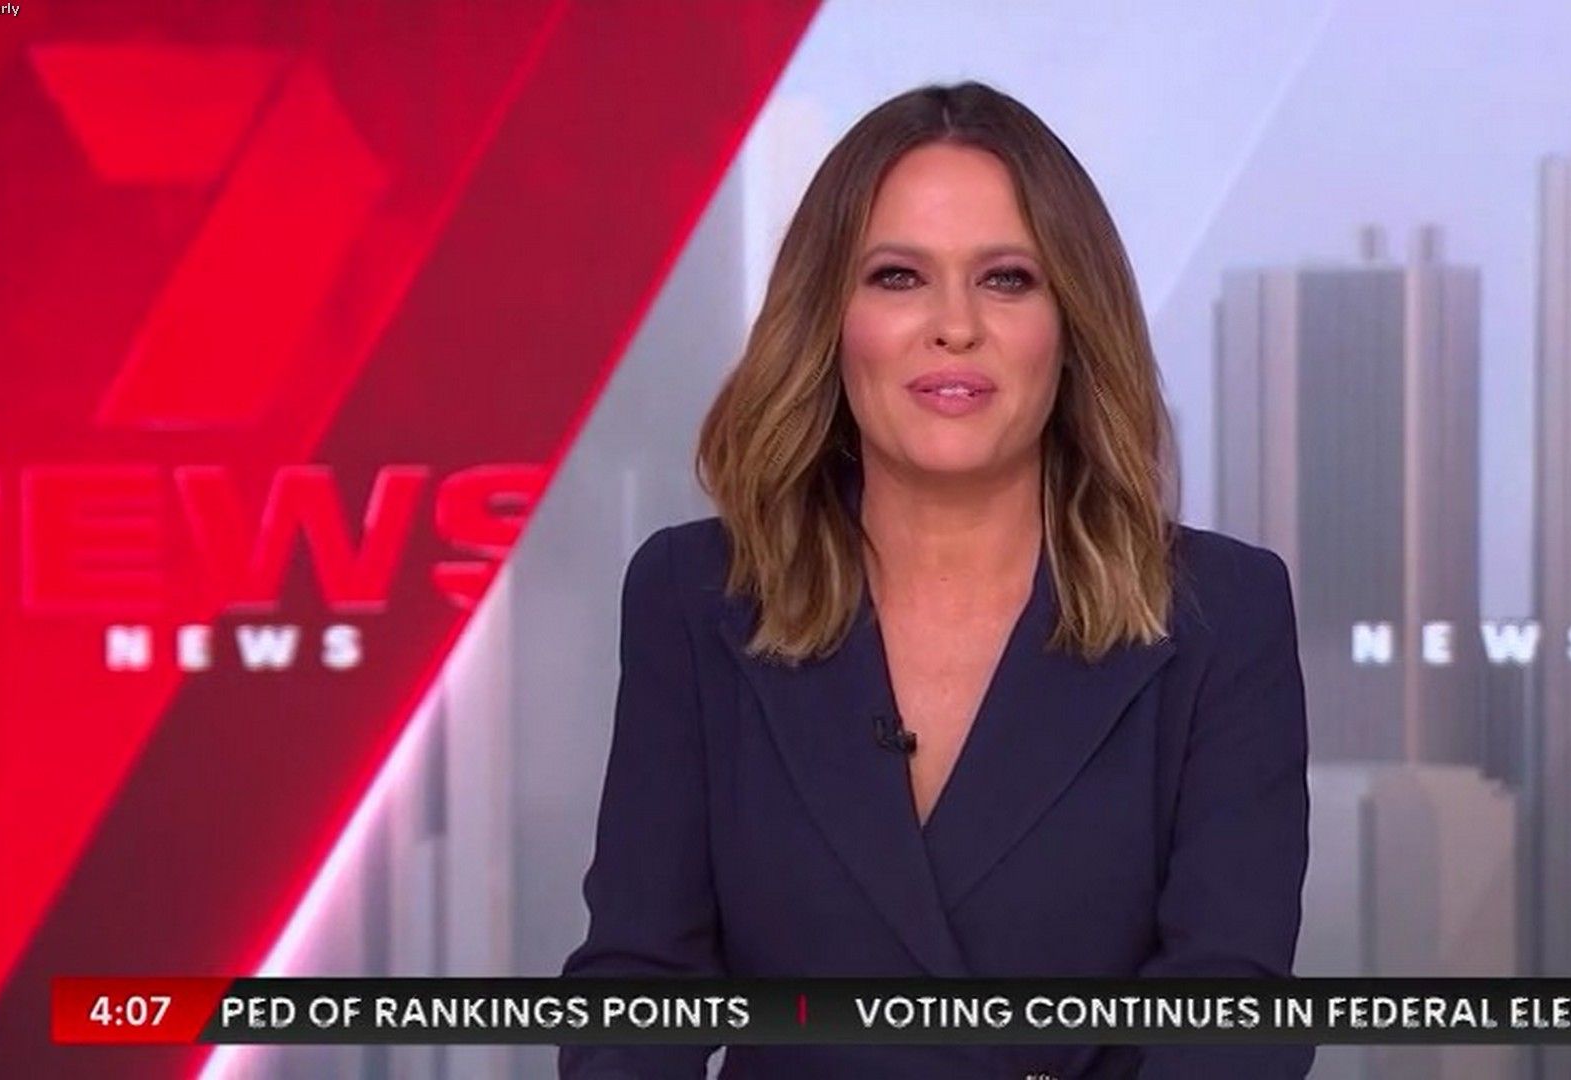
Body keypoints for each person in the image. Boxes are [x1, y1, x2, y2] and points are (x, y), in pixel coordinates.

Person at [560, 80, 1313, 1079]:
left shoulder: (1223, 613)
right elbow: (640, 988)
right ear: (830, 320)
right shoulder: (693, 596)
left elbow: (1229, 1008)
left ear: (1071, 325)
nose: (954, 325)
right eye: (899, 276)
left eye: (1006, 279)